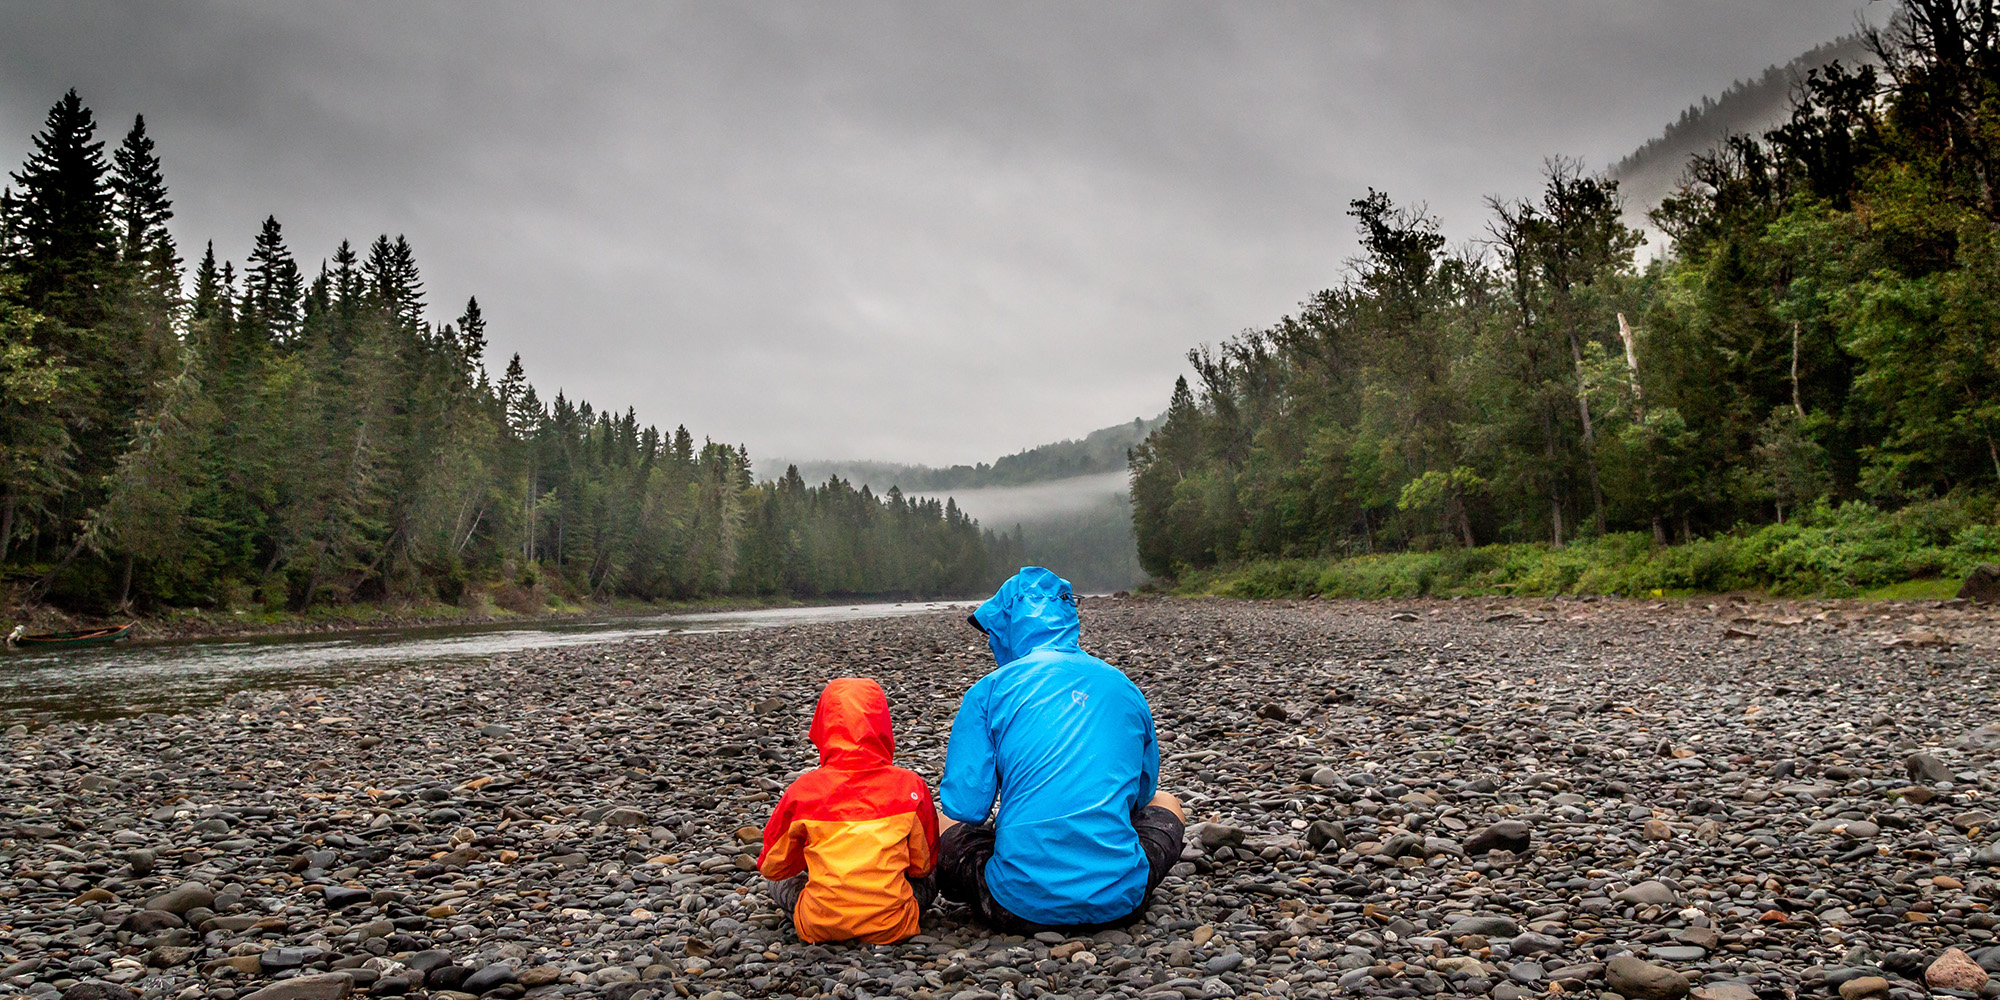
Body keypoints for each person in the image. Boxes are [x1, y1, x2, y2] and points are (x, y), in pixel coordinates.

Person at [936, 567, 1186, 933]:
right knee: (1168, 802)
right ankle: (1106, 871)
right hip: (1120, 902)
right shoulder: (1123, 686)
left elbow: (965, 808)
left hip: (1018, 906)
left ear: (1007, 628)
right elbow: (1144, 794)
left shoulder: (988, 692)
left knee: (940, 820)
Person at [757, 677, 939, 944]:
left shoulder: (803, 791)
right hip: (893, 924)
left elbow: (772, 867)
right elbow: (922, 867)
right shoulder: (910, 785)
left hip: (819, 925)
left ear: (822, 724)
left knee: (778, 882)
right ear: (883, 726)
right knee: (935, 869)